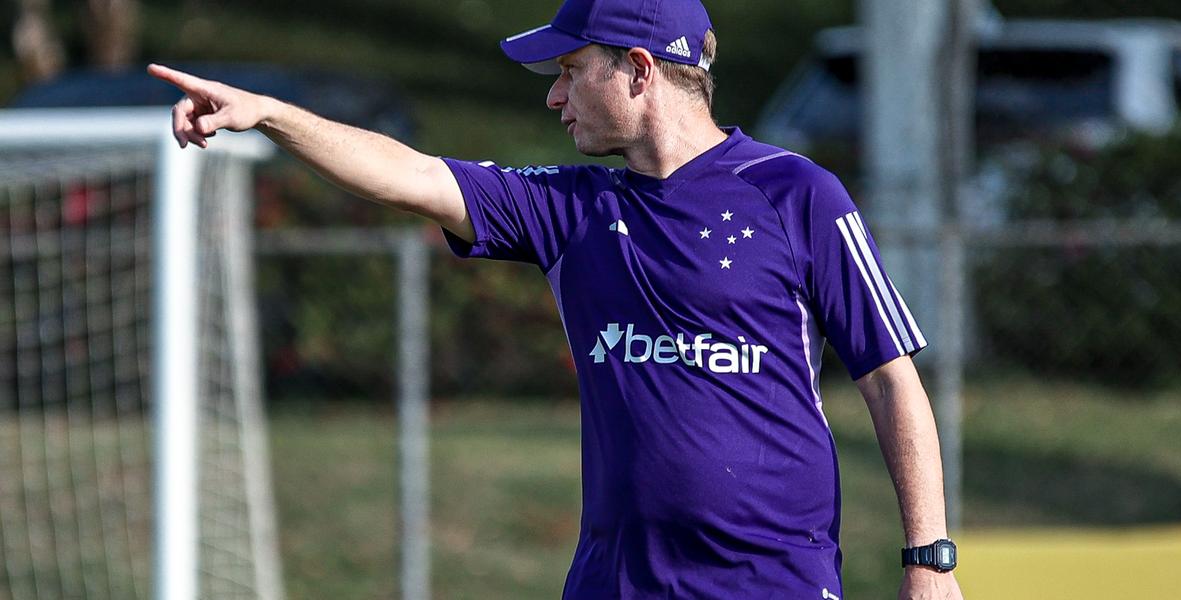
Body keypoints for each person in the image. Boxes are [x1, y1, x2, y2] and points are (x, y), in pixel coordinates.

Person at [149, 0, 965, 597]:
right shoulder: (570, 208)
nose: (553, 95)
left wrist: (928, 560)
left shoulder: (798, 194)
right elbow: (412, 174)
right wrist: (272, 117)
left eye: (571, 71)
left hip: (773, 584)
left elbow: (892, 380)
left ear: (639, 70)